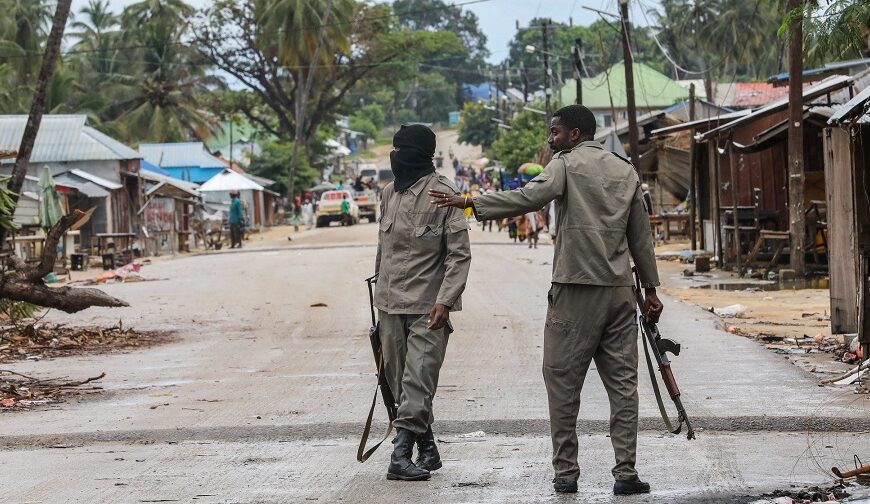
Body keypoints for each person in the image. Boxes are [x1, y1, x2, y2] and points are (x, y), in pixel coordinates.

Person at [428, 105, 663, 496]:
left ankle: (567, 473)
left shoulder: (565, 164)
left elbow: (529, 198)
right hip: (621, 292)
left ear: (574, 134)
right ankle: (625, 473)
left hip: (574, 291)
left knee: (562, 382)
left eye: (554, 132)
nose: (549, 139)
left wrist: (471, 203)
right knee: (623, 387)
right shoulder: (625, 171)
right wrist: (651, 289)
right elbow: (641, 237)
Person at [375, 124, 471, 482]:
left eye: (402, 149)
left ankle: (399, 456)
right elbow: (382, 252)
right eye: (393, 148)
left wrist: (445, 301)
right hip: (389, 307)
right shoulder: (388, 194)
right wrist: (377, 307)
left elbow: (459, 257)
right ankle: (426, 448)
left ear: (421, 154)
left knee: (418, 383)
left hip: (428, 310)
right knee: (400, 385)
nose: (395, 155)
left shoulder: (445, 195)